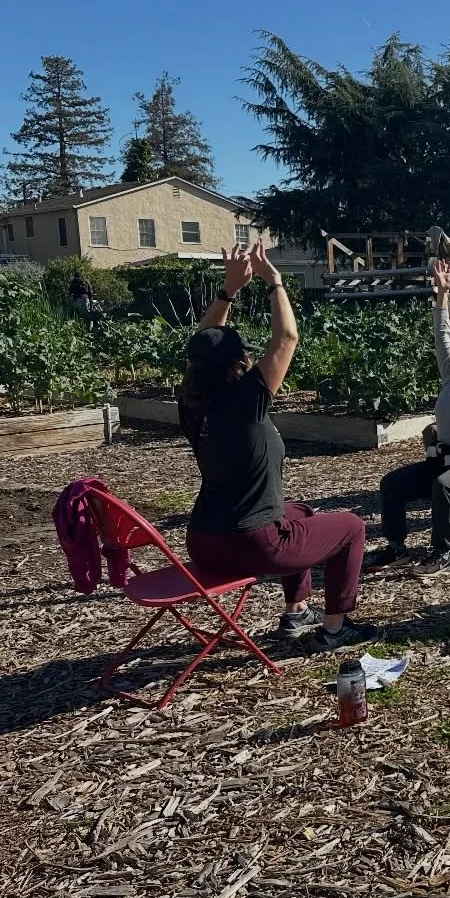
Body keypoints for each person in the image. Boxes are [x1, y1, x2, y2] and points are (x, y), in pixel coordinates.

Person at [179, 243, 372, 649]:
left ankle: (297, 613)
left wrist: (228, 291)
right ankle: (336, 628)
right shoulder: (245, 401)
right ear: (237, 365)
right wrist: (275, 282)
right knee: (352, 527)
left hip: (203, 540)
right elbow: (287, 336)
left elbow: (202, 343)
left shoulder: (192, 401)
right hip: (250, 544)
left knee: (298, 512)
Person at [368, 258, 450, 576]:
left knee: (445, 486)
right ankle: (397, 548)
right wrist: (442, 294)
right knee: (392, 484)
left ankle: (441, 555)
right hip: (443, 461)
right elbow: (442, 335)